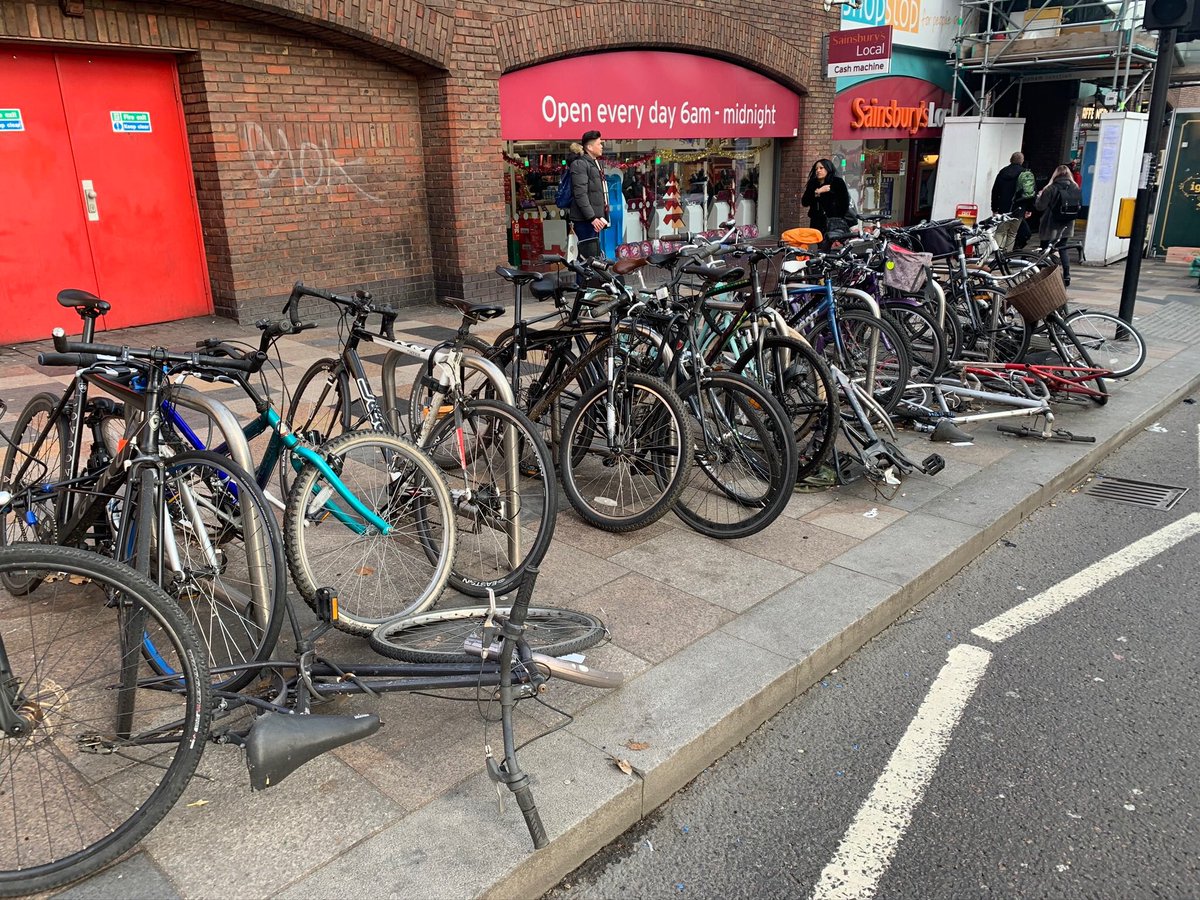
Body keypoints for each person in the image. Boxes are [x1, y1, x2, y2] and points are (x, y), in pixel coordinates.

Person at [1035, 164, 1084, 287]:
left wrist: (1039, 197)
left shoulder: (1050, 188)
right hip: (1067, 224)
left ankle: (1041, 274)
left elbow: (1040, 206)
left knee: (1044, 249)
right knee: (1063, 248)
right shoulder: (1075, 187)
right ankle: (1066, 275)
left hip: (1050, 224)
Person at [567, 130, 608, 263]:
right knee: (587, 258)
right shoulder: (580, 164)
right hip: (586, 220)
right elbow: (580, 194)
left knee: (592, 257)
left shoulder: (594, 163)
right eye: (599, 144)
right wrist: (592, 217)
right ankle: (582, 278)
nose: (601, 146)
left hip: (594, 220)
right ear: (589, 147)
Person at [801, 158, 850, 247]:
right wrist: (817, 192)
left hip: (833, 221)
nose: (818, 171)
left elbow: (844, 203)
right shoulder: (813, 183)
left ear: (828, 168)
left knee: (833, 246)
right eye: (816, 169)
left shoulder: (837, 182)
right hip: (817, 222)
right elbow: (805, 202)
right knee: (819, 247)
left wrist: (837, 217)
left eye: (821, 168)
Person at [990, 151, 1032, 252]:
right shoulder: (1025, 174)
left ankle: (998, 254)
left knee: (1000, 232)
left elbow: (995, 191)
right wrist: (1029, 209)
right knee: (1012, 233)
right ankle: (1007, 255)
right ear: (1022, 161)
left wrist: (994, 208)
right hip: (1019, 209)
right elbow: (1030, 193)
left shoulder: (1002, 172)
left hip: (1003, 208)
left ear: (1010, 160)